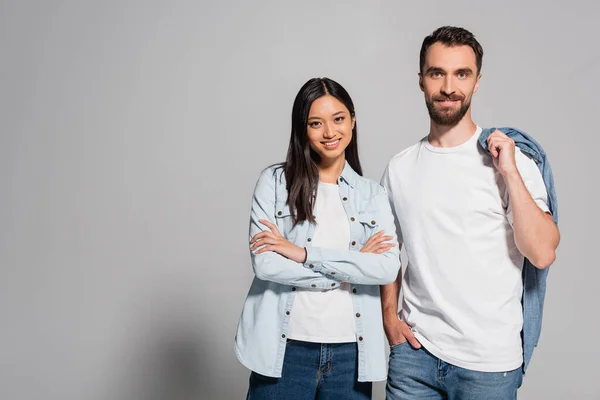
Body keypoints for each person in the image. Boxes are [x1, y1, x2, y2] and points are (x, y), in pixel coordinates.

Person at [380, 26, 560, 399]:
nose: (448, 87)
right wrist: (389, 318)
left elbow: (542, 252)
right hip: (415, 357)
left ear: (477, 81)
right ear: (421, 81)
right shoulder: (399, 168)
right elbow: (385, 251)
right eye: (437, 73)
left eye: (461, 73)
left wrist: (508, 171)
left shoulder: (511, 160)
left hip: (489, 364)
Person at [235, 77, 401, 399]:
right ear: (302, 129)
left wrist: (302, 254)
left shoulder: (372, 194)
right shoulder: (274, 183)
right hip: (284, 352)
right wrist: (348, 269)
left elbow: (386, 269)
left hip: (350, 355)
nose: (329, 132)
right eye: (316, 123)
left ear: (352, 121)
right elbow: (266, 264)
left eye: (338, 119)